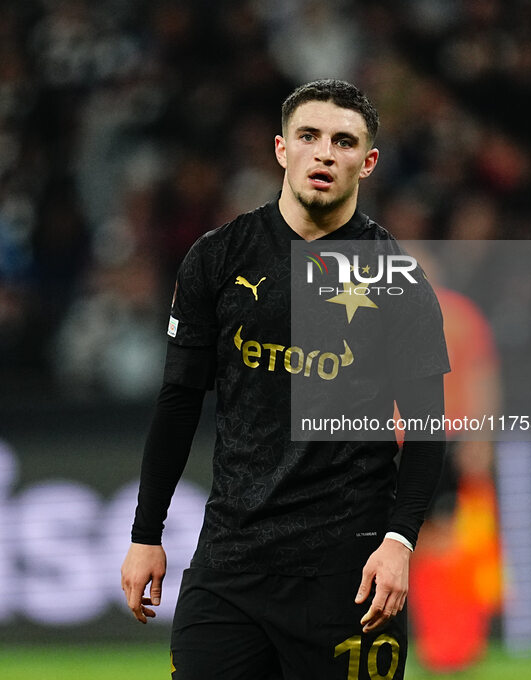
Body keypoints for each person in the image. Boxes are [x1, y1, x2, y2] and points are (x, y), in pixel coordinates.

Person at [121, 79, 449, 680]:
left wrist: (400, 541)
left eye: (344, 142)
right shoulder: (218, 258)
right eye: (309, 136)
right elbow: (177, 403)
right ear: (281, 149)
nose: (325, 153)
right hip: (232, 565)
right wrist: (147, 533)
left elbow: (429, 426)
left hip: (347, 573)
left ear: (367, 162)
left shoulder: (399, 280)